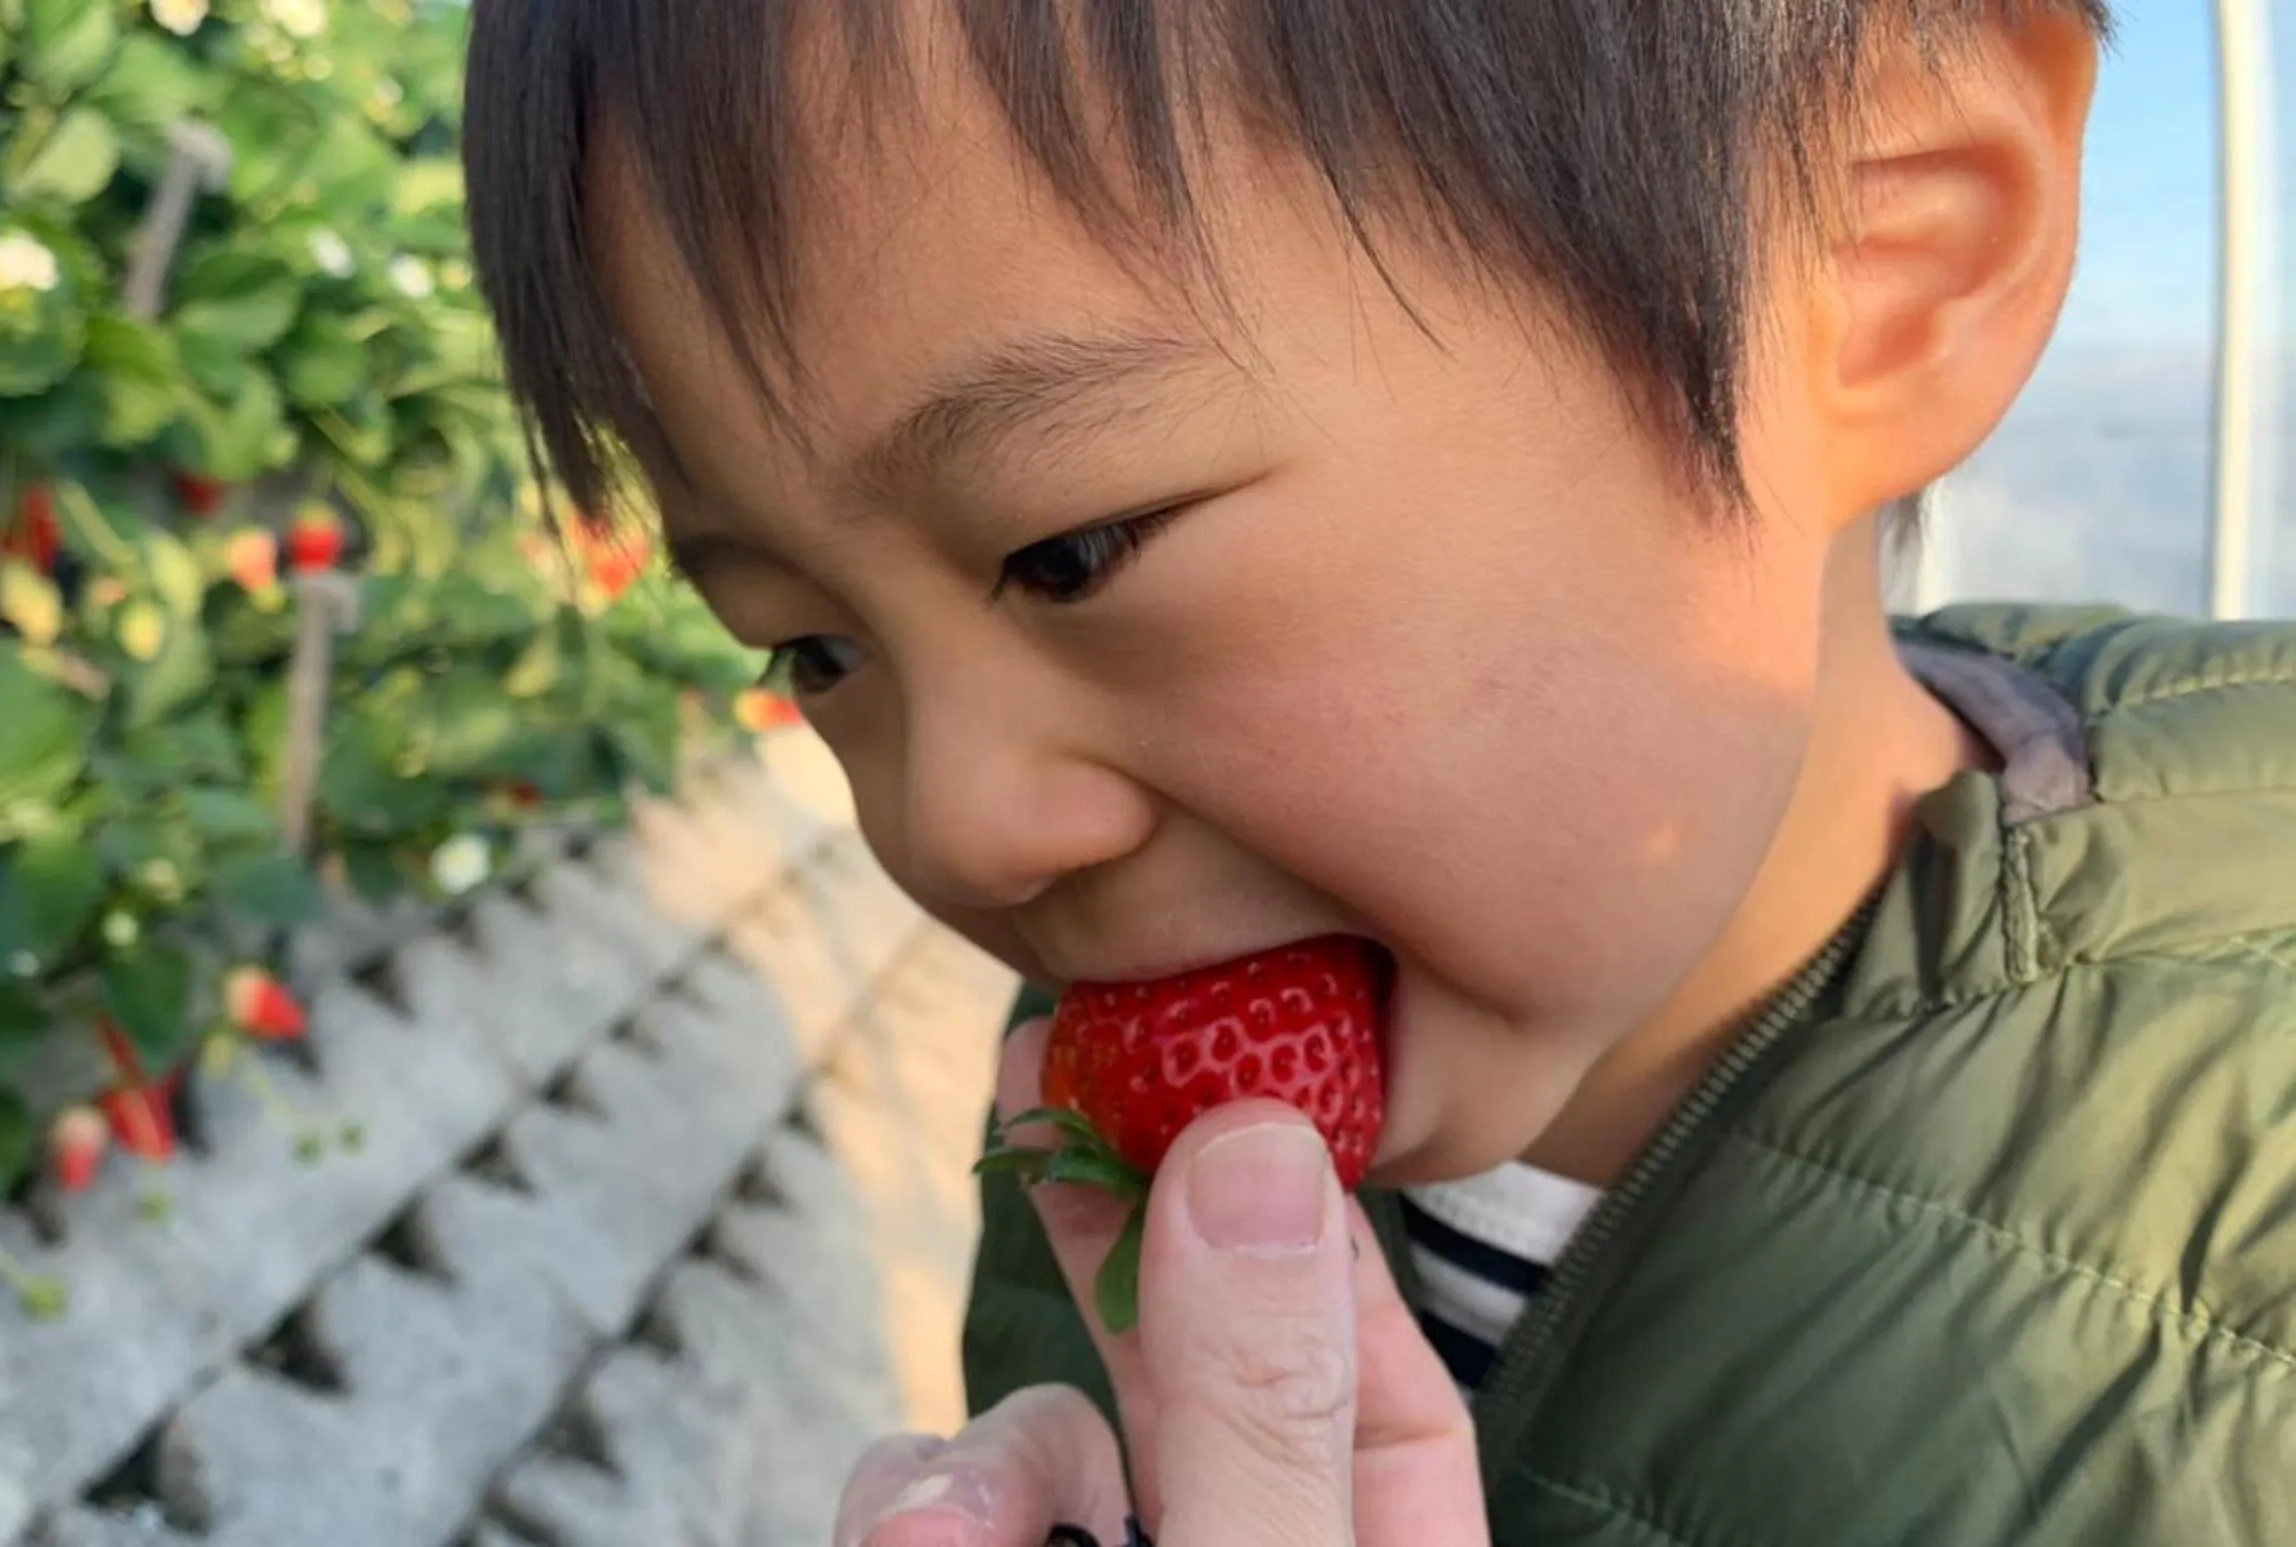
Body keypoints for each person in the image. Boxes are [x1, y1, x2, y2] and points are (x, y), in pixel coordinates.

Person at [459, 1, 2296, 1541]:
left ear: (1881, 262)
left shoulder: (2231, 1315)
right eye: (814, 648)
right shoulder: (1103, 1140)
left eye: (1073, 548)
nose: (950, 823)